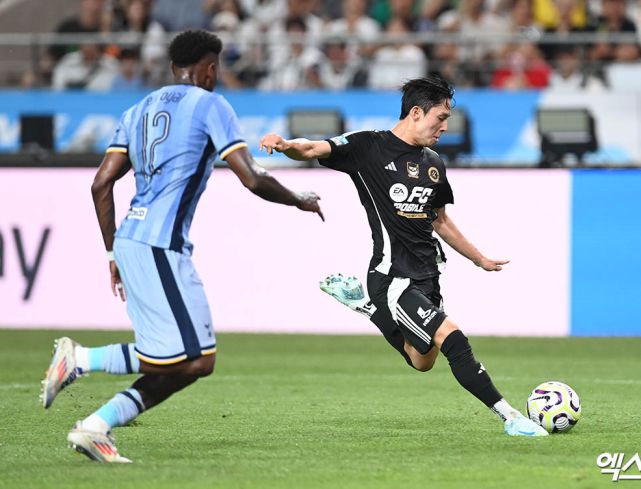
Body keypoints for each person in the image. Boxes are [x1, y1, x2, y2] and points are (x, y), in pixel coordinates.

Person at [40, 29, 324, 463]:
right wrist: (298, 198)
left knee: (191, 361)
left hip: (132, 241)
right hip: (160, 245)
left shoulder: (137, 110)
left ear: (174, 67)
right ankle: (84, 371)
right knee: (191, 357)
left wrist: (112, 252)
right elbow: (252, 177)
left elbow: (101, 183)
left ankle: (93, 415)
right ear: (210, 69)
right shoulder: (211, 105)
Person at [259, 76, 548, 437]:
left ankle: (367, 308)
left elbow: (440, 221)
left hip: (428, 274)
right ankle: (511, 418)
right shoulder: (368, 146)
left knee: (421, 359)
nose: (445, 127)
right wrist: (285, 144)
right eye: (440, 118)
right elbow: (312, 148)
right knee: (453, 339)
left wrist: (479, 258)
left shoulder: (433, 163)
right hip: (391, 276)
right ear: (415, 113)